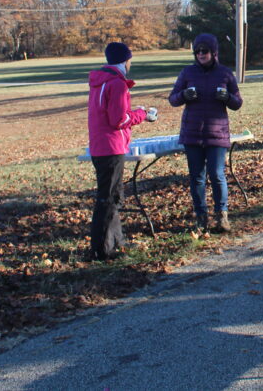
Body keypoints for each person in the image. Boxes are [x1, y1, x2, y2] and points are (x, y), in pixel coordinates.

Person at [86, 42, 156, 260]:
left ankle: (116, 243)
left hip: (98, 146)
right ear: (126, 61)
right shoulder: (117, 84)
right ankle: (102, 250)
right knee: (109, 199)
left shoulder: (99, 81)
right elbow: (119, 119)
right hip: (111, 146)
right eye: (130, 60)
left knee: (111, 197)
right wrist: (142, 114)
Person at [169, 33, 243, 232]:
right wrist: (184, 95)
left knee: (217, 175)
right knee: (197, 177)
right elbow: (173, 99)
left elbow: (237, 103)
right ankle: (201, 217)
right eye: (198, 51)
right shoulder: (187, 73)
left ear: (214, 52)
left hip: (217, 133)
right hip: (192, 133)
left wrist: (227, 97)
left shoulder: (225, 74)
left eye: (205, 51)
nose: (201, 54)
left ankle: (222, 216)